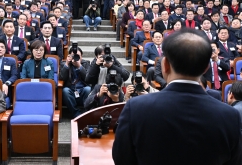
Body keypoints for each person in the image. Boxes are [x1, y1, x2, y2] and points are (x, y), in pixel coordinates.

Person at [113, 28, 242, 164]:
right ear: (206, 68)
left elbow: (122, 159)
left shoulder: (136, 108)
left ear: (165, 65)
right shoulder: (230, 116)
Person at [59, 46, 91, 118]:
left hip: (82, 90)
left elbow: (88, 78)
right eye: (74, 56)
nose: (76, 58)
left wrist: (79, 66)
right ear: (70, 56)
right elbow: (62, 78)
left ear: (81, 57)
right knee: (65, 90)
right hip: (70, 91)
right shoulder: (64, 64)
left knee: (88, 89)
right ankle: (76, 113)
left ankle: (86, 112)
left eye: (78, 56)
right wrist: (67, 64)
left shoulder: (86, 63)